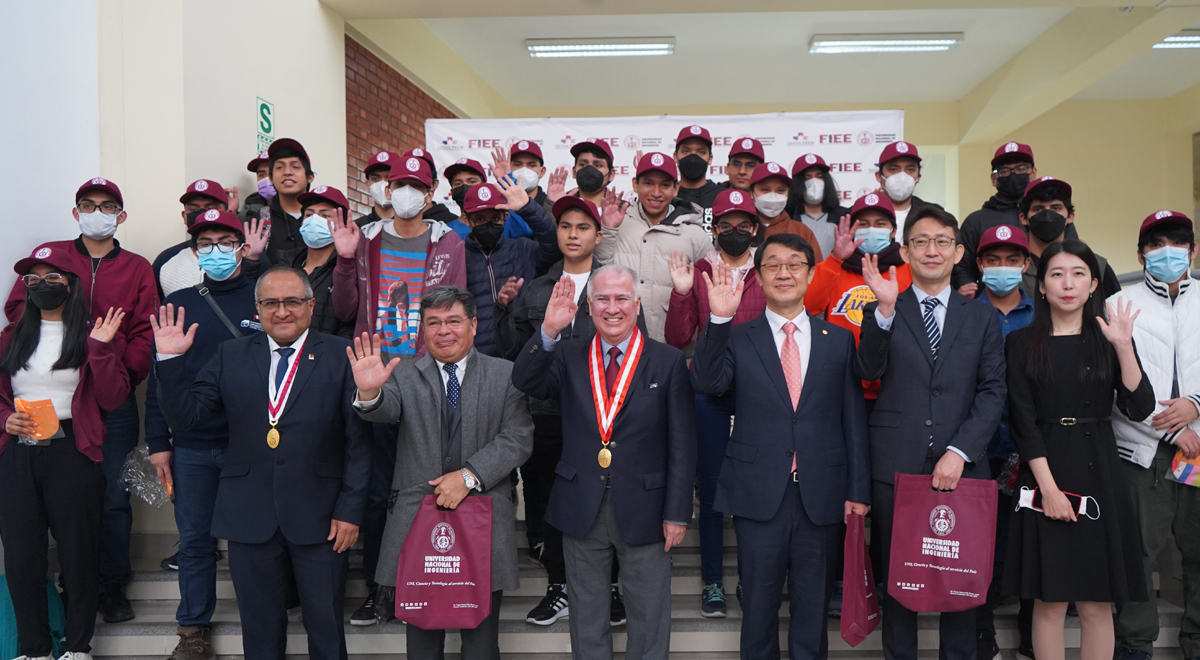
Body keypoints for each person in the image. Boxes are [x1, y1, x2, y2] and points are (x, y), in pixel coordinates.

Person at [152, 266, 371, 660]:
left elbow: (359, 442)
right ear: (258, 308)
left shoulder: (341, 354)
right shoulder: (230, 354)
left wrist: (351, 510)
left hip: (321, 515)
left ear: (310, 305)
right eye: (271, 303)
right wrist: (169, 361)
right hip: (248, 513)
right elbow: (187, 419)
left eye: (292, 301)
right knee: (260, 631)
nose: (282, 311)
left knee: (325, 626)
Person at [691, 232, 870, 657]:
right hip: (759, 492)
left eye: (794, 264)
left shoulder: (839, 339)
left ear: (810, 274)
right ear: (760, 276)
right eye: (772, 264)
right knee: (757, 610)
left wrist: (858, 492)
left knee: (812, 613)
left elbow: (853, 420)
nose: (784, 272)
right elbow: (707, 382)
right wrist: (718, 320)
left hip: (822, 494)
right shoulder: (738, 336)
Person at [511, 265, 696, 660]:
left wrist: (678, 512)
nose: (613, 308)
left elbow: (682, 443)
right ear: (588, 307)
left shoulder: (667, 361)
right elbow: (525, 381)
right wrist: (547, 331)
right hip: (581, 505)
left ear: (638, 304)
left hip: (647, 508)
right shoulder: (566, 353)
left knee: (649, 619)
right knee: (586, 617)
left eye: (621, 298)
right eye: (603, 299)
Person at [349, 285, 533, 660]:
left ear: (473, 324)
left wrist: (468, 476)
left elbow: (518, 438)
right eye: (433, 322)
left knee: (481, 646)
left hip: (483, 523)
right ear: (422, 330)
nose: (443, 330)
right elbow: (386, 410)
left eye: (453, 320)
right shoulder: (402, 374)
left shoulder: (505, 374)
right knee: (421, 645)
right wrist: (369, 394)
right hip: (419, 523)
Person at [856, 206, 1007, 660]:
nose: (932, 250)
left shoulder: (980, 317)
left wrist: (959, 451)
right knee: (899, 581)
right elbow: (867, 370)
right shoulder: (885, 306)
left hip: (963, 466)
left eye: (942, 241)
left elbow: (993, 390)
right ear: (904, 251)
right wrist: (882, 310)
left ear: (959, 251)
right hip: (896, 465)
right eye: (920, 241)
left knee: (959, 586)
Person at [4, 177, 157, 625]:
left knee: (110, 494)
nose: (97, 212)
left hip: (110, 394)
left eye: (107, 206)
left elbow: (145, 330)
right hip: (51, 405)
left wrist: (123, 373)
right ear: (76, 213)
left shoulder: (136, 267)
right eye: (88, 205)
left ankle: (110, 584)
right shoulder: (52, 256)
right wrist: (63, 323)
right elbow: (18, 309)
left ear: (120, 216)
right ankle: (71, 586)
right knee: (56, 501)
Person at [329, 154, 466, 625]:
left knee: (419, 487)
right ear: (386, 191)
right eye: (396, 184)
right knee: (374, 488)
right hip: (375, 377)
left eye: (415, 185)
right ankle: (376, 587)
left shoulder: (450, 243)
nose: (404, 192)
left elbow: (457, 316)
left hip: (427, 380)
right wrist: (345, 260)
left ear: (430, 196)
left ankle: (419, 582)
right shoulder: (365, 242)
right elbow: (346, 309)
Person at [1002, 240, 1154, 660]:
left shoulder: (1110, 337)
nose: (1067, 283)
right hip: (1043, 469)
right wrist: (1048, 490)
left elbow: (1139, 408)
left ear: (1092, 286)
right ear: (1043, 285)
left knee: (1096, 600)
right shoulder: (1019, 344)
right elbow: (1023, 423)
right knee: (1049, 600)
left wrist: (1124, 346)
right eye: (1057, 274)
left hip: (1100, 469)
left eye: (1078, 274)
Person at [494, 197, 632, 627]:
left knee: (603, 496)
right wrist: (502, 309)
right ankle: (559, 585)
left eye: (582, 227)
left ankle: (610, 586)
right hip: (545, 412)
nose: (573, 234)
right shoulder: (537, 287)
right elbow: (512, 350)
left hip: (600, 416)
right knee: (545, 496)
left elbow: (633, 348)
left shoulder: (613, 287)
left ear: (598, 235)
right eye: (565, 226)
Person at [144, 210, 262, 660]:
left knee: (257, 537)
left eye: (225, 241)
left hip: (252, 443)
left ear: (241, 246)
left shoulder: (264, 298)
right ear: (194, 252)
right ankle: (193, 629)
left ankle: (265, 615)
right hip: (192, 446)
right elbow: (161, 379)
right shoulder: (179, 304)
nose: (216, 250)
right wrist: (159, 444)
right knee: (194, 541)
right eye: (206, 243)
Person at [0, 245, 127, 660]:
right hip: (19, 452)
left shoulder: (94, 333)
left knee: (78, 551)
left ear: (72, 286)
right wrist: (4, 419)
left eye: (51, 278)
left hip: (73, 450)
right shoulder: (11, 335)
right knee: (21, 556)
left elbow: (113, 397)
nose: (40, 286)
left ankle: (77, 646)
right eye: (32, 279)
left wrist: (103, 349)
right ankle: (33, 649)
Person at [663, 189, 765, 617]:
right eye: (726, 225)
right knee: (710, 488)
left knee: (753, 489)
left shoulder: (767, 269)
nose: (735, 232)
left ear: (755, 229)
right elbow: (678, 338)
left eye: (744, 225)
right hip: (707, 391)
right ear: (714, 228)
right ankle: (711, 583)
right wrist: (683, 292)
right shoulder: (699, 270)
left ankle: (749, 578)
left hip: (760, 394)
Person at [1111, 210, 1200, 660]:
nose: (1168, 251)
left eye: (1178, 241)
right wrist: (1173, 431)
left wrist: (1197, 407)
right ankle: (1134, 643)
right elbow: (1113, 388)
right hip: (1144, 451)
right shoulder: (1118, 304)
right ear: (1141, 253)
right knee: (1138, 553)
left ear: (1194, 249)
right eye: (1156, 243)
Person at [970, 225, 1037, 660]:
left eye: (1012, 260)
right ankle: (981, 635)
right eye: (992, 260)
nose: (1002, 268)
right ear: (978, 264)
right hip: (977, 448)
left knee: (1032, 543)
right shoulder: (963, 312)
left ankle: (1032, 636)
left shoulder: (1045, 313)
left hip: (1032, 450)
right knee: (979, 548)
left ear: (1026, 265)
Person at [804, 193, 913, 401]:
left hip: (897, 383)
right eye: (863, 224)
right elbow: (808, 305)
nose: (872, 230)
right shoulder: (834, 267)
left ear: (893, 231)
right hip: (842, 383)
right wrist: (835, 259)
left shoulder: (908, 270)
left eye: (880, 224)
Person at [594, 152, 711, 343]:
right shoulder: (616, 222)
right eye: (648, 183)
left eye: (665, 185)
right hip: (618, 345)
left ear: (676, 188)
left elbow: (705, 299)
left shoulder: (694, 234)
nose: (656, 192)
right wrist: (608, 230)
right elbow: (599, 271)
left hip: (672, 351)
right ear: (635, 184)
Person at [459, 179, 559, 357]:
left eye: (496, 218)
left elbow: (554, 244)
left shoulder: (524, 248)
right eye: (480, 219)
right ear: (466, 219)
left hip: (524, 352)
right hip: (477, 357)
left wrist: (528, 208)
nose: (489, 226)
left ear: (506, 216)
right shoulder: (457, 256)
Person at [153, 179, 265, 301]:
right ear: (184, 216)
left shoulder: (252, 255)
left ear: (228, 212)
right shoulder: (166, 260)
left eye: (211, 208)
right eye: (194, 209)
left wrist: (251, 263)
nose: (203, 213)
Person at [1017, 177, 1121, 299]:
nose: (1047, 215)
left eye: (1056, 208)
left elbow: (1116, 309)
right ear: (1024, 218)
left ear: (1070, 217)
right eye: (1038, 209)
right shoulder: (1012, 266)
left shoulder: (1095, 265)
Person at [281, 185, 354, 338]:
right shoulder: (285, 266)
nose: (315, 220)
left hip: (330, 356)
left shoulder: (349, 268)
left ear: (344, 224)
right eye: (309, 215)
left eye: (325, 216)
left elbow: (349, 320)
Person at [748, 163, 824, 261]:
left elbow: (816, 271)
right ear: (751, 193)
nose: (773, 196)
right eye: (765, 190)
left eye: (780, 190)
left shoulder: (802, 231)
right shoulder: (743, 229)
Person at [260, 138, 316, 266]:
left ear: (310, 177)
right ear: (271, 178)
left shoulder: (323, 219)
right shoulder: (258, 221)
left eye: (295, 167)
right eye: (279, 167)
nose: (287, 172)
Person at [874, 141, 943, 239]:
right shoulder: (859, 214)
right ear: (879, 176)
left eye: (910, 170)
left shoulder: (934, 213)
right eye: (893, 169)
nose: (902, 176)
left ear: (918, 177)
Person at [786, 153, 850, 259]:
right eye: (807, 178)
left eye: (820, 177)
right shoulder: (787, 217)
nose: (814, 182)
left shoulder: (843, 216)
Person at [673, 125, 721, 228]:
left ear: (710, 158)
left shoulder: (722, 196)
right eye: (686, 151)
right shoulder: (667, 196)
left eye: (701, 152)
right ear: (675, 157)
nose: (693, 157)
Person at [402, 147, 460, 226]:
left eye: (418, 183)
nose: (409, 188)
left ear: (434, 184)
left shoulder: (452, 224)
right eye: (402, 183)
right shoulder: (389, 224)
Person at [442, 157, 489, 240]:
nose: (464, 187)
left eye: (472, 182)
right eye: (458, 183)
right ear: (452, 192)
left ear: (484, 187)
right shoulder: (444, 230)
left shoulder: (500, 225)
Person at [354, 150, 400, 228]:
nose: (383, 184)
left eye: (389, 178)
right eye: (375, 179)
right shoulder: (356, 228)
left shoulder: (416, 227)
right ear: (368, 185)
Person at [239, 151, 273, 224]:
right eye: (261, 175)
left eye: (272, 173)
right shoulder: (248, 213)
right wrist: (231, 212)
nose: (267, 179)